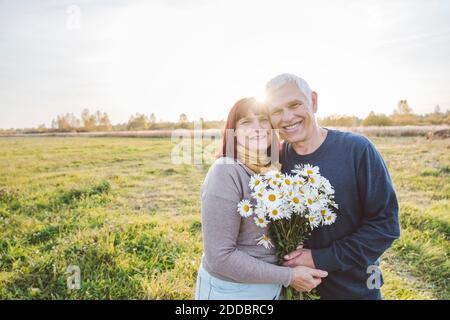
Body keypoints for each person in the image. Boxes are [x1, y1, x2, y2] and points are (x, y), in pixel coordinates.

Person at [265, 73, 400, 300]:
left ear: (314, 101)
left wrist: (320, 258)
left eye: (295, 104)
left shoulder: (357, 150)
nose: (287, 117)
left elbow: (385, 226)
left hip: (355, 289)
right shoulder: (274, 161)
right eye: (276, 111)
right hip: (293, 290)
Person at [195, 97, 328, 300]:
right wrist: (289, 276)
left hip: (271, 287)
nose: (257, 128)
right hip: (233, 291)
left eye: (262, 120)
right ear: (233, 131)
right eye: (246, 122)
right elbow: (219, 257)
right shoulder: (226, 171)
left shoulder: (272, 170)